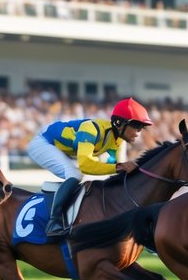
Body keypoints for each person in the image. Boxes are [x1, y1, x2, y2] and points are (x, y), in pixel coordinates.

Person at [27, 97, 154, 238]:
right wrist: (119, 167)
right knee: (76, 174)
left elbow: (114, 166)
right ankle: (54, 221)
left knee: (86, 175)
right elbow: (86, 165)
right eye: (136, 125)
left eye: (141, 127)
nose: (138, 132)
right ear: (119, 123)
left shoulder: (117, 140)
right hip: (43, 144)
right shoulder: (91, 130)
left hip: (64, 150)